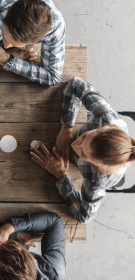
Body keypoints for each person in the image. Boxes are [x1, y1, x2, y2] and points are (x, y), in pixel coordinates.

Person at [30, 77, 135, 224]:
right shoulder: (107, 117)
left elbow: (84, 217)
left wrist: (61, 175)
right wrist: (67, 127)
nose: (74, 145)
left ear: (97, 164)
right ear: (102, 128)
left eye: (83, 154)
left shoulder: (97, 180)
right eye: (84, 136)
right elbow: (76, 84)